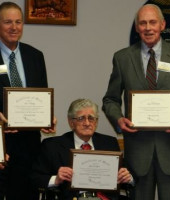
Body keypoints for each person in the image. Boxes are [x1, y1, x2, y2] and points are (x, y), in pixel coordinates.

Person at [102, 4, 170, 200]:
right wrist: (119, 120)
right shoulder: (122, 58)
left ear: (162, 25)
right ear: (137, 27)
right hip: (138, 154)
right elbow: (110, 99)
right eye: (143, 23)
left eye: (153, 22)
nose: (148, 28)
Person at [0, 2, 55, 200]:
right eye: (7, 22)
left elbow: (42, 96)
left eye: (18, 22)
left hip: (28, 146)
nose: (14, 27)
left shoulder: (35, 56)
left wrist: (47, 118)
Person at [31, 98, 133, 200]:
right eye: (81, 118)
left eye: (91, 118)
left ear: (96, 122)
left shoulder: (109, 143)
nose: (87, 123)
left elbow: (126, 178)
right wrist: (56, 179)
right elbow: (35, 178)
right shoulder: (53, 145)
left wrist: (127, 178)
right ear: (71, 122)